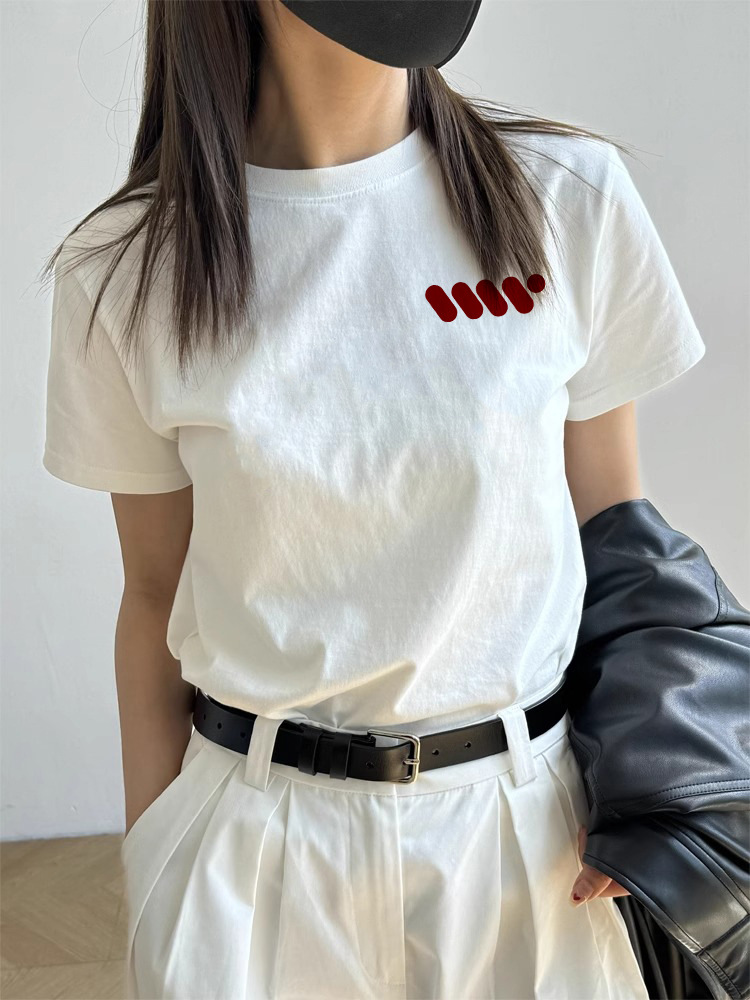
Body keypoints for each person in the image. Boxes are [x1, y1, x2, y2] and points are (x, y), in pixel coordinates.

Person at [41, 1, 706, 997]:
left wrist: (651, 794)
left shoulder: (567, 196)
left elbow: (617, 533)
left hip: (535, 847)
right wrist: (155, 871)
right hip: (255, 850)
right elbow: (152, 594)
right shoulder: (128, 269)